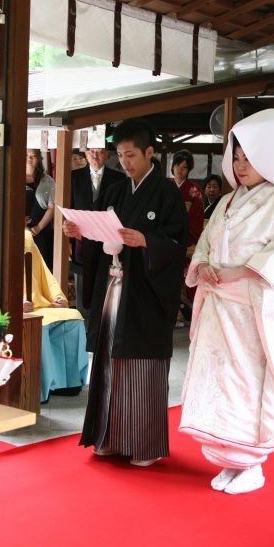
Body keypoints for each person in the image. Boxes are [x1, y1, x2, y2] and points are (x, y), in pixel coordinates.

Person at [179, 109, 274, 495]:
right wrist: (203, 267)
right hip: (219, 307)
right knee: (218, 380)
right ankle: (228, 460)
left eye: (249, 157)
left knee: (245, 383)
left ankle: (251, 463)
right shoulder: (227, 202)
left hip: (251, 311)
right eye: (236, 157)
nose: (240, 164)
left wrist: (239, 273)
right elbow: (205, 244)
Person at [63, 119, 187, 467]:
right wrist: (80, 231)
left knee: (140, 366)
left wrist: (148, 240)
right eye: (121, 155)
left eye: (131, 154)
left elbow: (178, 243)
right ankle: (111, 436)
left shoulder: (166, 193)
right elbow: (101, 229)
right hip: (115, 287)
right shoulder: (117, 190)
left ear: (150, 152)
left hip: (147, 295)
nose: (126, 162)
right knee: (109, 361)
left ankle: (144, 444)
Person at [0, 227, 89, 402]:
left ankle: (68, 382)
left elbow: (45, 275)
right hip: (1, 309)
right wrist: (14, 305)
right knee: (38, 324)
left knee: (72, 318)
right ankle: (41, 385)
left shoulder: (27, 242)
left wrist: (57, 296)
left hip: (35, 305)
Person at [69, 140, 127, 319]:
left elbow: (122, 211)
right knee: (82, 290)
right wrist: (67, 241)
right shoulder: (73, 177)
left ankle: (102, 327)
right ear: (85, 153)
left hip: (107, 242)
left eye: (99, 151)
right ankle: (83, 329)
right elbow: (67, 209)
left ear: (107, 154)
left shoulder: (119, 179)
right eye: (91, 151)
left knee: (104, 287)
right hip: (80, 240)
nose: (95, 155)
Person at [171, 150, 204, 327]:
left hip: (185, 239)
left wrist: (188, 238)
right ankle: (172, 313)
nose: (180, 170)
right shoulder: (166, 185)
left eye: (184, 168)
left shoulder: (193, 190)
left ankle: (185, 313)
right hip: (166, 239)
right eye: (178, 166)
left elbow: (196, 217)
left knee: (184, 277)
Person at [26, 148, 56, 268]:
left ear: (39, 158)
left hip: (42, 231)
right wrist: (23, 227)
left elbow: (52, 207)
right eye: (26, 155)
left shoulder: (48, 181)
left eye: (33, 156)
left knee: (43, 267)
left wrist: (38, 227)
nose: (29, 158)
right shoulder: (13, 177)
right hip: (17, 231)